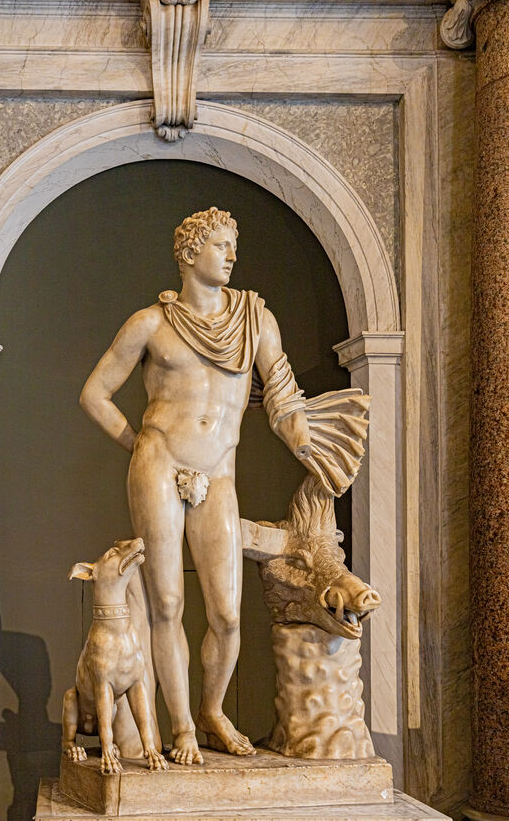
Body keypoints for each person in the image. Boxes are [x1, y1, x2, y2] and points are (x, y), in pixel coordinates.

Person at [80, 207, 368, 765]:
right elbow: (95, 394)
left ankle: (212, 711)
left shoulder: (256, 321)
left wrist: (306, 441)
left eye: (234, 245)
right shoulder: (150, 324)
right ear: (190, 253)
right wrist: (141, 444)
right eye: (221, 245)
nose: (232, 255)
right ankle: (183, 727)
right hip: (159, 465)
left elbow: (282, 396)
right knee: (167, 602)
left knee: (227, 614)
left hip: (218, 473)